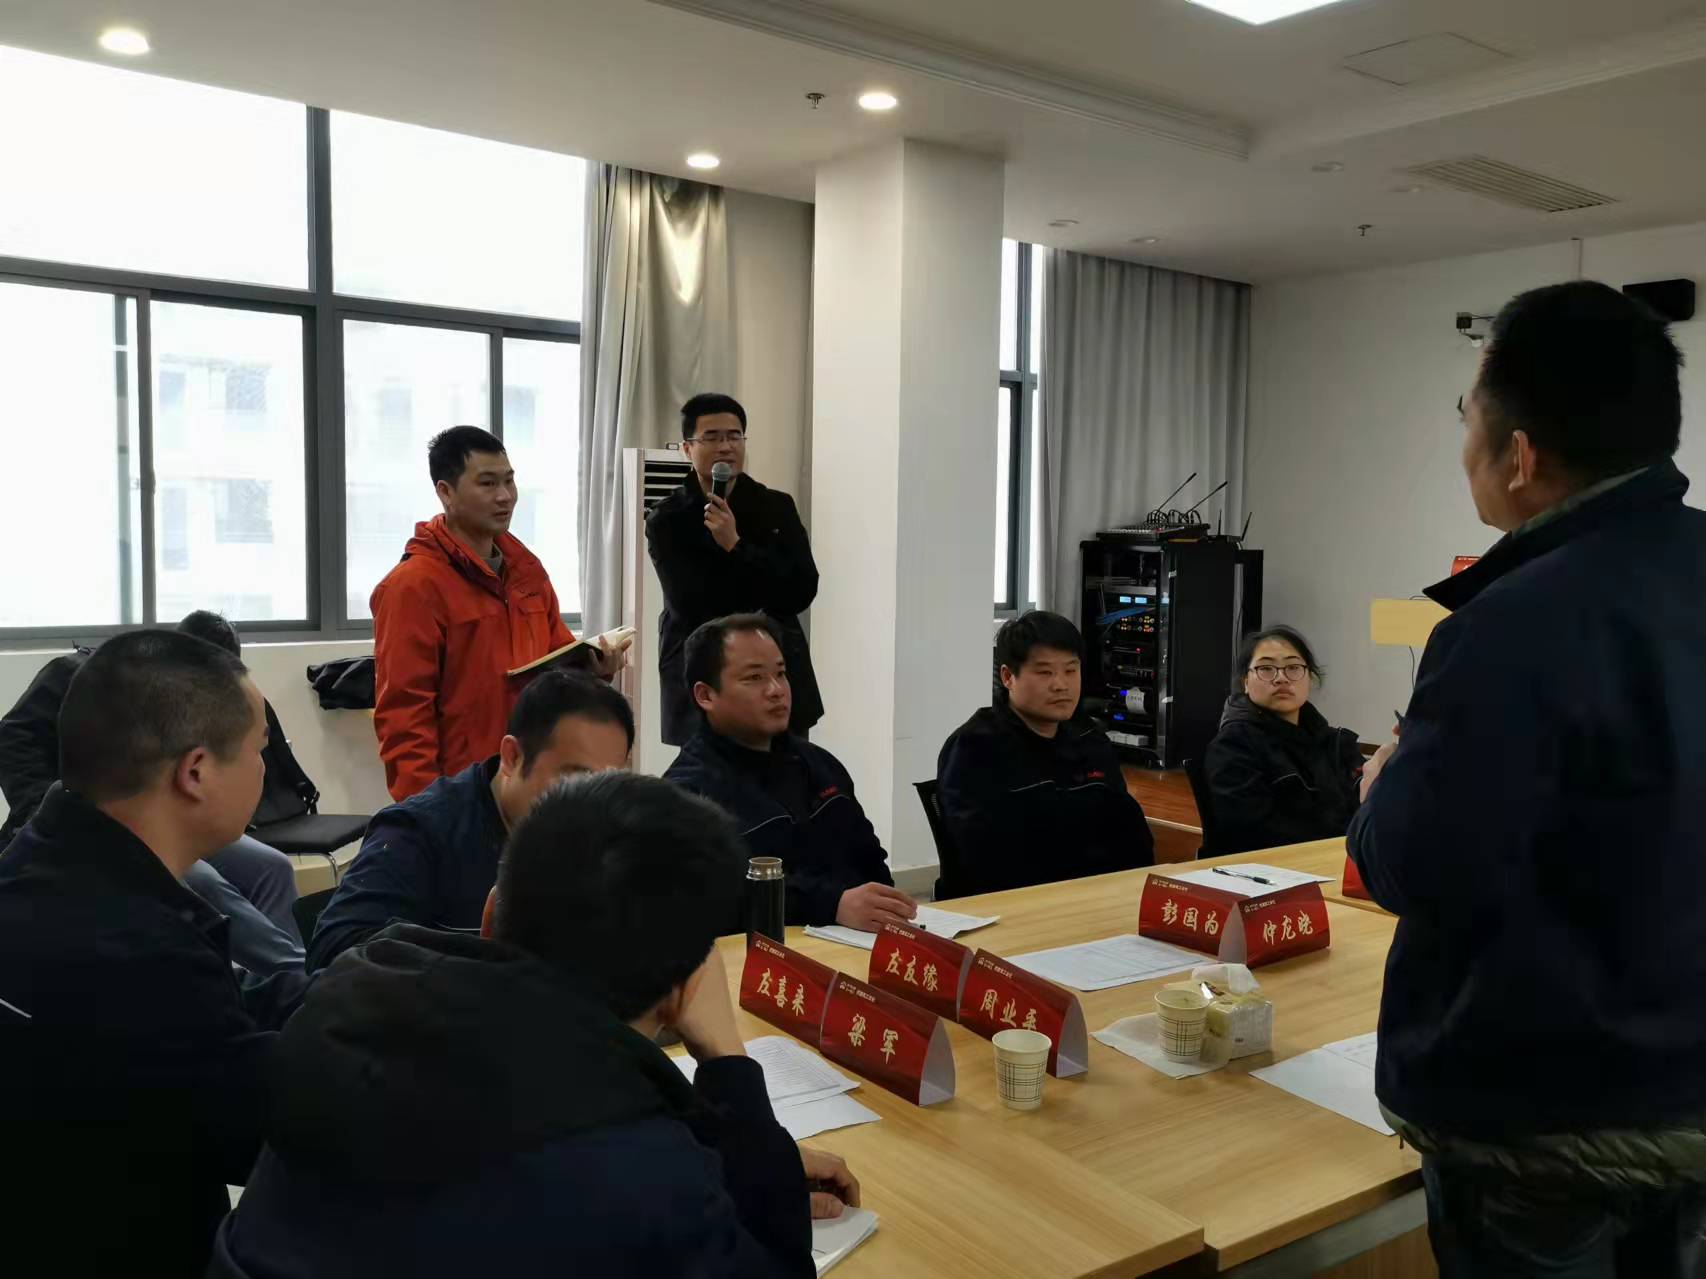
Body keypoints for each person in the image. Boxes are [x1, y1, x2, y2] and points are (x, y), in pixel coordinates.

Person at [1349, 280, 1706, 1278]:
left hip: (1541, 1116)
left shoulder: (1508, 623)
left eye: (1466, 414)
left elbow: (1417, 866)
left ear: (1517, 455)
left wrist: (1381, 789)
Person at [211, 772, 858, 1278]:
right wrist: (729, 1069)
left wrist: (725, 1156)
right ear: (681, 989)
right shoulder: (645, 1183)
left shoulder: (344, 1004)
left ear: (491, 913)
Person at [0, 630, 291, 1274]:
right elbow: (262, 1132)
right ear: (196, 772)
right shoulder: (142, 954)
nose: (264, 769)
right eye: (258, 750)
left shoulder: (34, 869)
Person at [0, 613, 304, 980]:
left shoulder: (203, 703)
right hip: (106, 828)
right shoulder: (84, 676)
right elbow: (14, 739)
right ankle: (289, 978)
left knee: (271, 867)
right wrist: (49, 807)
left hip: (173, 816)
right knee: (203, 882)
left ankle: (292, 978)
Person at [309, 669, 634, 972]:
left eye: (608, 783)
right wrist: (480, 964)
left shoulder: (605, 834)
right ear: (512, 757)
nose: (593, 805)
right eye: (575, 780)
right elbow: (333, 956)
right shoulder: (419, 832)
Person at [371, 425, 627, 802]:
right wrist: (427, 813)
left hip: (534, 779)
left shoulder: (526, 571)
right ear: (445, 492)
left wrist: (595, 668)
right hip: (466, 790)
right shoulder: (413, 587)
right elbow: (404, 719)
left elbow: (556, 665)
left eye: (509, 481)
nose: (505, 496)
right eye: (488, 483)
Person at [664, 614, 914, 931]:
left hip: (857, 942)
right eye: (754, 677)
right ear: (706, 695)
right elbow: (714, 899)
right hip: (759, 953)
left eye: (781, 674)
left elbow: (869, 860)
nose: (776, 690)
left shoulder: (821, 765)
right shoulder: (685, 793)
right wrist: (832, 904)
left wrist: (885, 906)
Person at [936, 610, 1154, 896]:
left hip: (1097, 898)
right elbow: (984, 857)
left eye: (1070, 671)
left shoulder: (1090, 740)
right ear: (1008, 677)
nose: (1061, 684)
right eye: (1045, 672)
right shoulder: (975, 747)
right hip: (1015, 903)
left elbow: (1131, 836)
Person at [647, 393, 822, 747]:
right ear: (687, 448)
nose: (726, 446)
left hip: (776, 668)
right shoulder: (667, 518)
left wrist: (736, 546)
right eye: (711, 437)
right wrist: (762, 585)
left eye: (734, 436)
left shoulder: (776, 507)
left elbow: (801, 589)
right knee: (710, 778)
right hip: (705, 674)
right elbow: (691, 603)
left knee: (786, 775)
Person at [1202, 625, 1363, 854]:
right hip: (1274, 867)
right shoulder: (1233, 746)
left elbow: (1371, 807)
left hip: (1341, 859)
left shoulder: (1334, 742)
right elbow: (1254, 831)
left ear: (1310, 678)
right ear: (1245, 682)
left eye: (1293, 668)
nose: (1281, 678)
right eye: (1266, 669)